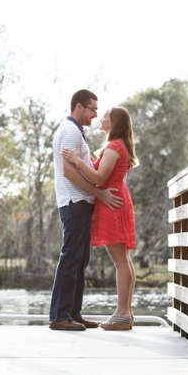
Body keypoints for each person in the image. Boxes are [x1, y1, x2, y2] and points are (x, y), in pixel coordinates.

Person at [49, 89, 124, 331]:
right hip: (75, 202)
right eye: (92, 109)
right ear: (79, 107)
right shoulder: (70, 131)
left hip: (79, 203)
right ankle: (60, 315)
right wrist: (98, 193)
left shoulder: (74, 131)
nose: (95, 114)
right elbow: (68, 172)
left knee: (80, 261)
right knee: (71, 258)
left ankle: (73, 313)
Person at [62, 106, 138, 331]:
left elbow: (98, 177)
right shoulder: (117, 146)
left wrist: (76, 160)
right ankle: (126, 313)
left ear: (114, 122)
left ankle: (122, 314)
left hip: (111, 203)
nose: (101, 118)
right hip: (114, 200)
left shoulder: (115, 146)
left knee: (121, 261)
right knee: (124, 260)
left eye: (105, 116)